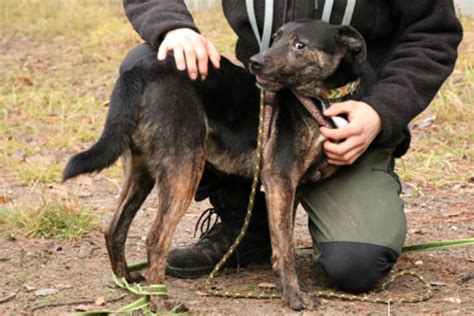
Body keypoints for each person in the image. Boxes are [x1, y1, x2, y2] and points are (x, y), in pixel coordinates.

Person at [121, 0, 462, 293]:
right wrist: (172, 27)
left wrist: (381, 112)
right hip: (258, 103)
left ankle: (346, 199)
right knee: (151, 66)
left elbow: (434, 35)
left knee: (357, 263)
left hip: (351, 119)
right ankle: (245, 221)